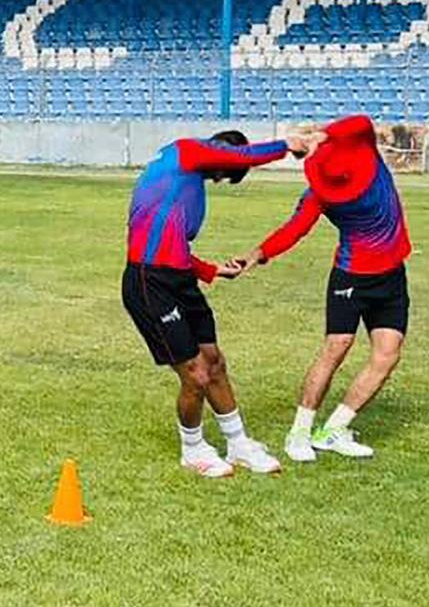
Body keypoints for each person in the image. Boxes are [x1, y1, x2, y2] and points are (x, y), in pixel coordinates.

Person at [122, 129, 319, 478]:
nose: (219, 178)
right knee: (196, 374)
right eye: (221, 172)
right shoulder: (185, 151)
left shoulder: (185, 176)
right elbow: (238, 157)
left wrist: (211, 270)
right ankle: (193, 448)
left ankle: (238, 442)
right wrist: (285, 146)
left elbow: (174, 245)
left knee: (214, 360)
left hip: (179, 278)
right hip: (149, 282)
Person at [232, 115, 410, 462]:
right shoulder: (319, 194)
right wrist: (259, 253)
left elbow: (360, 121)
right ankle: (299, 432)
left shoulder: (367, 154)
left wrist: (320, 134)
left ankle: (335, 429)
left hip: (391, 275)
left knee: (387, 354)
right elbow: (294, 228)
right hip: (351, 277)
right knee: (336, 347)